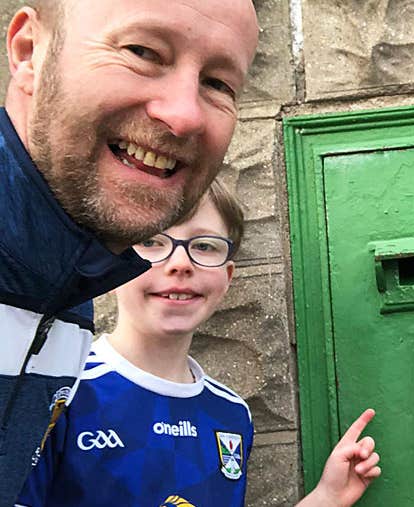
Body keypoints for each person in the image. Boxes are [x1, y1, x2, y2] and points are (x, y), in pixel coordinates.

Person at [0, 0, 259, 502]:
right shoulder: (83, 384)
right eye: (142, 51)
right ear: (29, 50)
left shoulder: (67, 302)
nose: (182, 115)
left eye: (219, 84)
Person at [15, 180, 381, 507]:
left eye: (204, 246)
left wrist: (327, 498)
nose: (179, 263)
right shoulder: (59, 392)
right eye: (151, 241)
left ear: (227, 276)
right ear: (113, 261)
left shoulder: (232, 415)